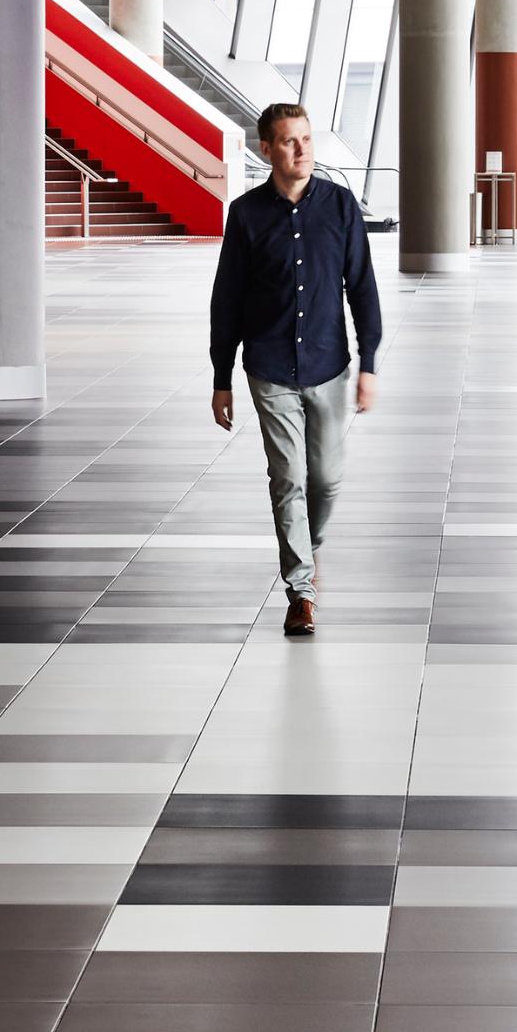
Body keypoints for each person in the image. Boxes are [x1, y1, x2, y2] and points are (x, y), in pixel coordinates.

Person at [210, 101, 381, 637]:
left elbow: (363, 287)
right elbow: (227, 300)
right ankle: (300, 590)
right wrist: (221, 377)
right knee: (288, 478)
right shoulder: (246, 215)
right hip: (269, 366)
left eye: (306, 139)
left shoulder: (340, 206)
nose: (302, 149)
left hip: (329, 365)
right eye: (289, 141)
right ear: (267, 149)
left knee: (326, 480)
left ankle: (307, 547)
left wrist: (369, 363)